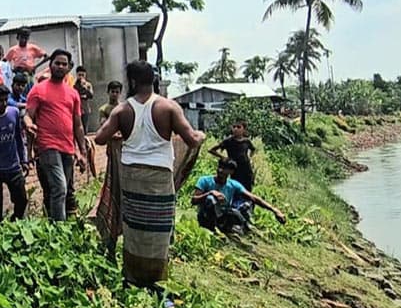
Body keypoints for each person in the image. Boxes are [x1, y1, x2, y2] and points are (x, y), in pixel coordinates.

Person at [99, 60, 204, 289]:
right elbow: (192, 140)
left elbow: (99, 138)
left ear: (133, 81)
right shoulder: (168, 107)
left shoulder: (122, 109)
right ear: (153, 79)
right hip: (159, 176)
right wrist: (202, 135)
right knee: (158, 227)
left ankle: (132, 277)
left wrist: (120, 134)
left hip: (131, 175)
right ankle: (156, 278)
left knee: (134, 226)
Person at [24, 49, 88, 220]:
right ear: (50, 65)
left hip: (67, 147)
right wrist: (28, 124)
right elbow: (28, 115)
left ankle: (50, 225)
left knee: (60, 190)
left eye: (64, 64)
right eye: (57, 63)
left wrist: (82, 152)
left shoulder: (73, 93)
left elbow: (78, 125)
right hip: (47, 146)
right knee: (60, 188)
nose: (60, 66)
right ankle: (60, 232)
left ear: (68, 68)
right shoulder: (38, 90)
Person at [193, 159, 285, 235]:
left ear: (231, 172)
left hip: (224, 214)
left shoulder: (233, 184)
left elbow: (254, 198)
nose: (220, 170)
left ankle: (244, 226)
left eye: (224, 168)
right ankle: (212, 228)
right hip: (206, 216)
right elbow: (193, 200)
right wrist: (210, 193)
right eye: (219, 167)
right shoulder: (204, 180)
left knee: (248, 203)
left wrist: (275, 210)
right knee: (211, 199)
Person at [0, 84, 29, 222]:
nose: (4, 103)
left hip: (13, 166)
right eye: (0, 101)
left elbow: (19, 138)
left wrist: (24, 160)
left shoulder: (14, 113)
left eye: (6, 100)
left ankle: (14, 223)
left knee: (22, 200)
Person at [209, 120, 257, 190]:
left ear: (244, 129)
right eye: (234, 127)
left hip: (246, 169)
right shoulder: (228, 141)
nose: (235, 129)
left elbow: (253, 149)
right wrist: (223, 157)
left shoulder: (246, 141)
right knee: (236, 188)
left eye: (238, 127)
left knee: (247, 188)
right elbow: (212, 150)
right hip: (234, 169)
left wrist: (250, 157)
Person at [75, 65, 95, 131]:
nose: (81, 77)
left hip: (85, 108)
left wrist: (86, 88)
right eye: (79, 75)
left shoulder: (88, 85)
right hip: (76, 109)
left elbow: (91, 95)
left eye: (82, 75)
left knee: (85, 127)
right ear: (76, 75)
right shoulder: (74, 84)